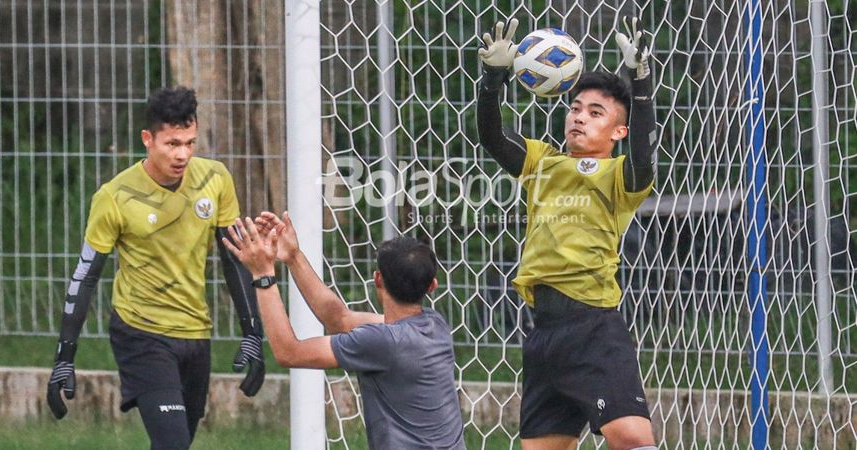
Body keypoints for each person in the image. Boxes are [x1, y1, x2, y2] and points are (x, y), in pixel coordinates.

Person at [46, 86, 266, 449]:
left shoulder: (215, 179)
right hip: (140, 333)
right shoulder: (115, 197)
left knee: (177, 442)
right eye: (172, 144)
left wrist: (253, 334)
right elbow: (86, 276)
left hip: (195, 332)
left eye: (190, 143)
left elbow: (233, 257)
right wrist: (64, 357)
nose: (183, 154)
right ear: (148, 139)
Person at [477, 17, 659, 450]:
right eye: (575, 108)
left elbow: (643, 157)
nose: (579, 117)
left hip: (592, 326)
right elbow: (491, 136)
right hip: (543, 332)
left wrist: (641, 87)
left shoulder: (621, 176)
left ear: (618, 131)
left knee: (632, 438)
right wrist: (492, 80)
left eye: (595, 113)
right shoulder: (542, 162)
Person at [221, 211, 466, 450]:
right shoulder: (435, 326)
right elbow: (340, 319)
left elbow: (288, 352)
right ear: (432, 286)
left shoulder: (382, 343)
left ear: (377, 280)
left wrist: (263, 274)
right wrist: (293, 257)